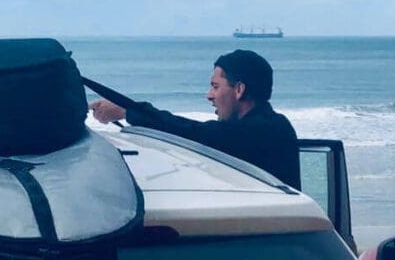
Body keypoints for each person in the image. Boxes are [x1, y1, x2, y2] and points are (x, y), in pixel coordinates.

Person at [89, 49, 301, 189]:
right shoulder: (273, 125)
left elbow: (190, 131)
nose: (209, 95)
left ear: (239, 90)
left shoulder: (263, 131)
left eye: (215, 86)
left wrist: (126, 112)